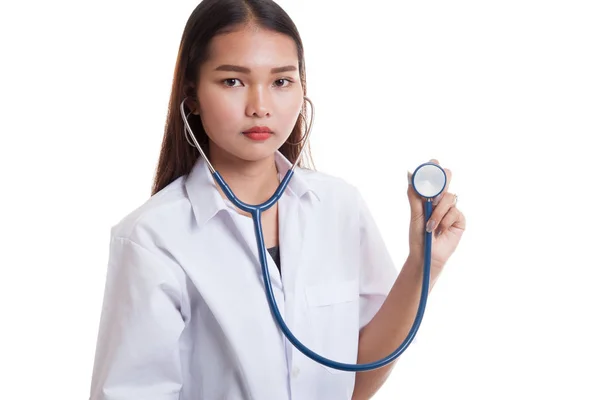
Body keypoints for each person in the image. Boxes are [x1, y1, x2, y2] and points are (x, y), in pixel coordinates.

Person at [89, 0, 466, 399]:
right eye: (232, 81)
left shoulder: (339, 206)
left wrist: (425, 262)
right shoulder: (152, 238)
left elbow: (358, 374)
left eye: (281, 81)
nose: (260, 107)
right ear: (193, 95)